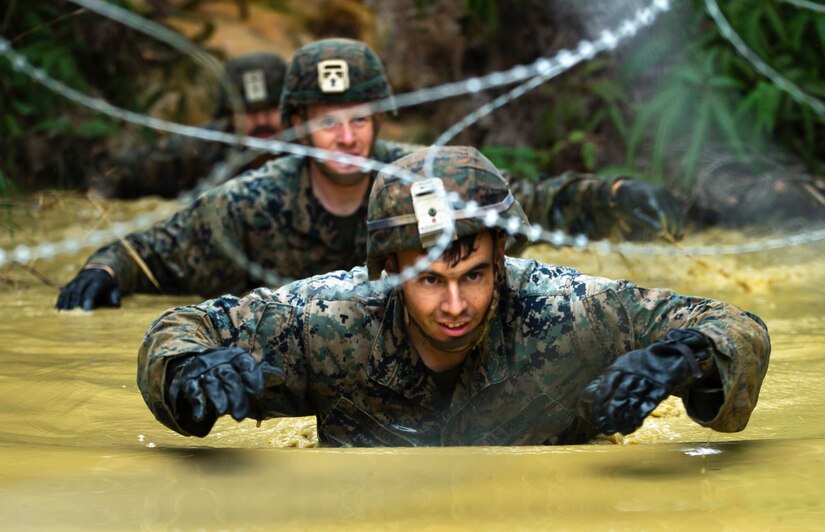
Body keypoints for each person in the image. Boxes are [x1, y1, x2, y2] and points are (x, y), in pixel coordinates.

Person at [137, 145, 771, 447]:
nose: (455, 305)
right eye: (429, 281)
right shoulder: (328, 322)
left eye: (474, 274)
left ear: (500, 258)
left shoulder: (571, 312)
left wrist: (685, 359)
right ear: (388, 270)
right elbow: (181, 325)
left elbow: (734, 323)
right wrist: (189, 374)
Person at [57, 37, 683, 312]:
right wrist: (104, 269)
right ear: (297, 122)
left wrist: (619, 195)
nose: (347, 138)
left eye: (358, 119)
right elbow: (157, 249)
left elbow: (531, 203)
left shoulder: (424, 176)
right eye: (327, 122)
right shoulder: (249, 203)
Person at [89, 51, 287, 200]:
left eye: (271, 109)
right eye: (249, 112)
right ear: (229, 116)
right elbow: (120, 170)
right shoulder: (203, 148)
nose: (262, 121)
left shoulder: (310, 144)